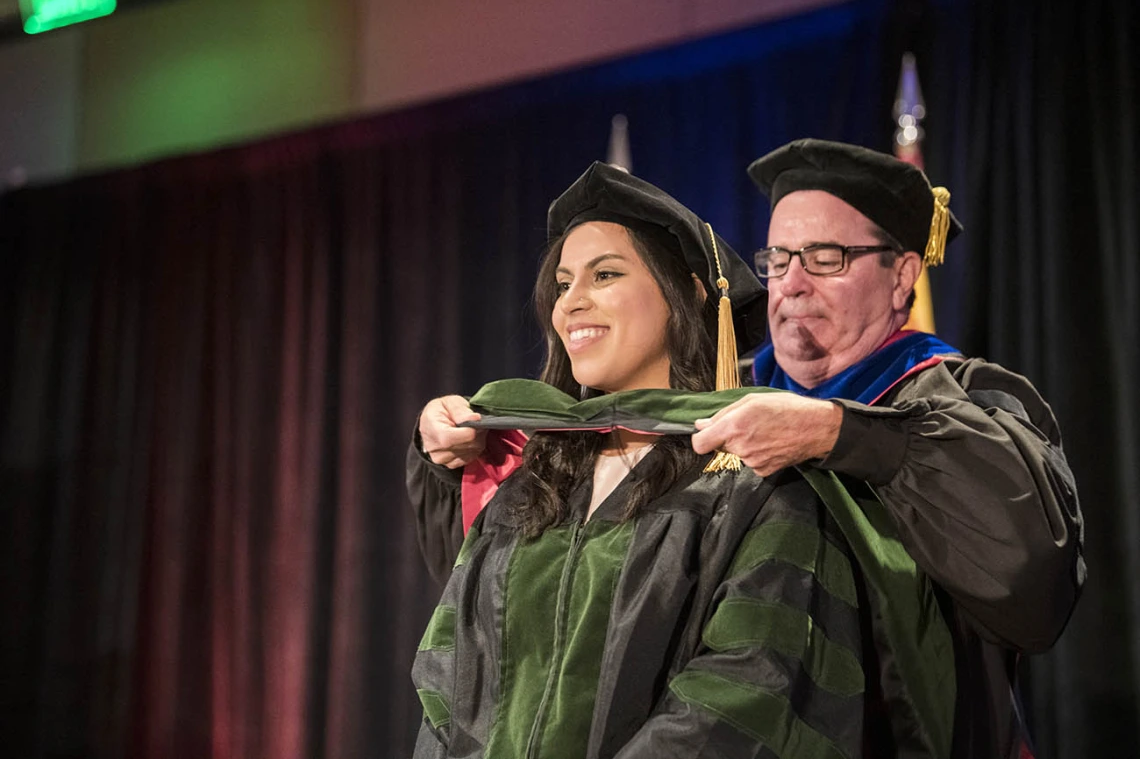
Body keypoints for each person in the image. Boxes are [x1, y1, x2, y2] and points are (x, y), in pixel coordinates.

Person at [408, 162, 957, 758]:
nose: (571, 304)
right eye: (563, 284)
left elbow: (748, 695)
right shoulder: (531, 487)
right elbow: (447, 683)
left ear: (689, 293)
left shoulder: (753, 483)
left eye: (606, 274)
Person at [684, 138, 1084, 758]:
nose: (789, 284)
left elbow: (1033, 572)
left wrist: (836, 433)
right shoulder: (726, 396)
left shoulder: (963, 397)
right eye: (779, 257)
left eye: (825, 257)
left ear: (902, 276)